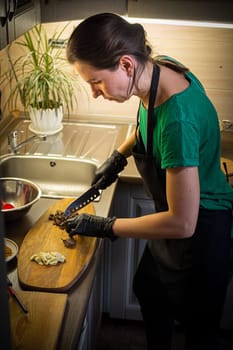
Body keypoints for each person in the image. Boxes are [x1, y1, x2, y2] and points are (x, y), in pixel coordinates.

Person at [66, 13, 233, 350]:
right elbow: (148, 120)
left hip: (201, 234)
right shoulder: (158, 69)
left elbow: (182, 222)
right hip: (175, 224)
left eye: (95, 81)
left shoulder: (178, 120)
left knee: (199, 333)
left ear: (126, 65)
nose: (95, 93)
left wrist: (106, 226)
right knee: (150, 290)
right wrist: (119, 156)